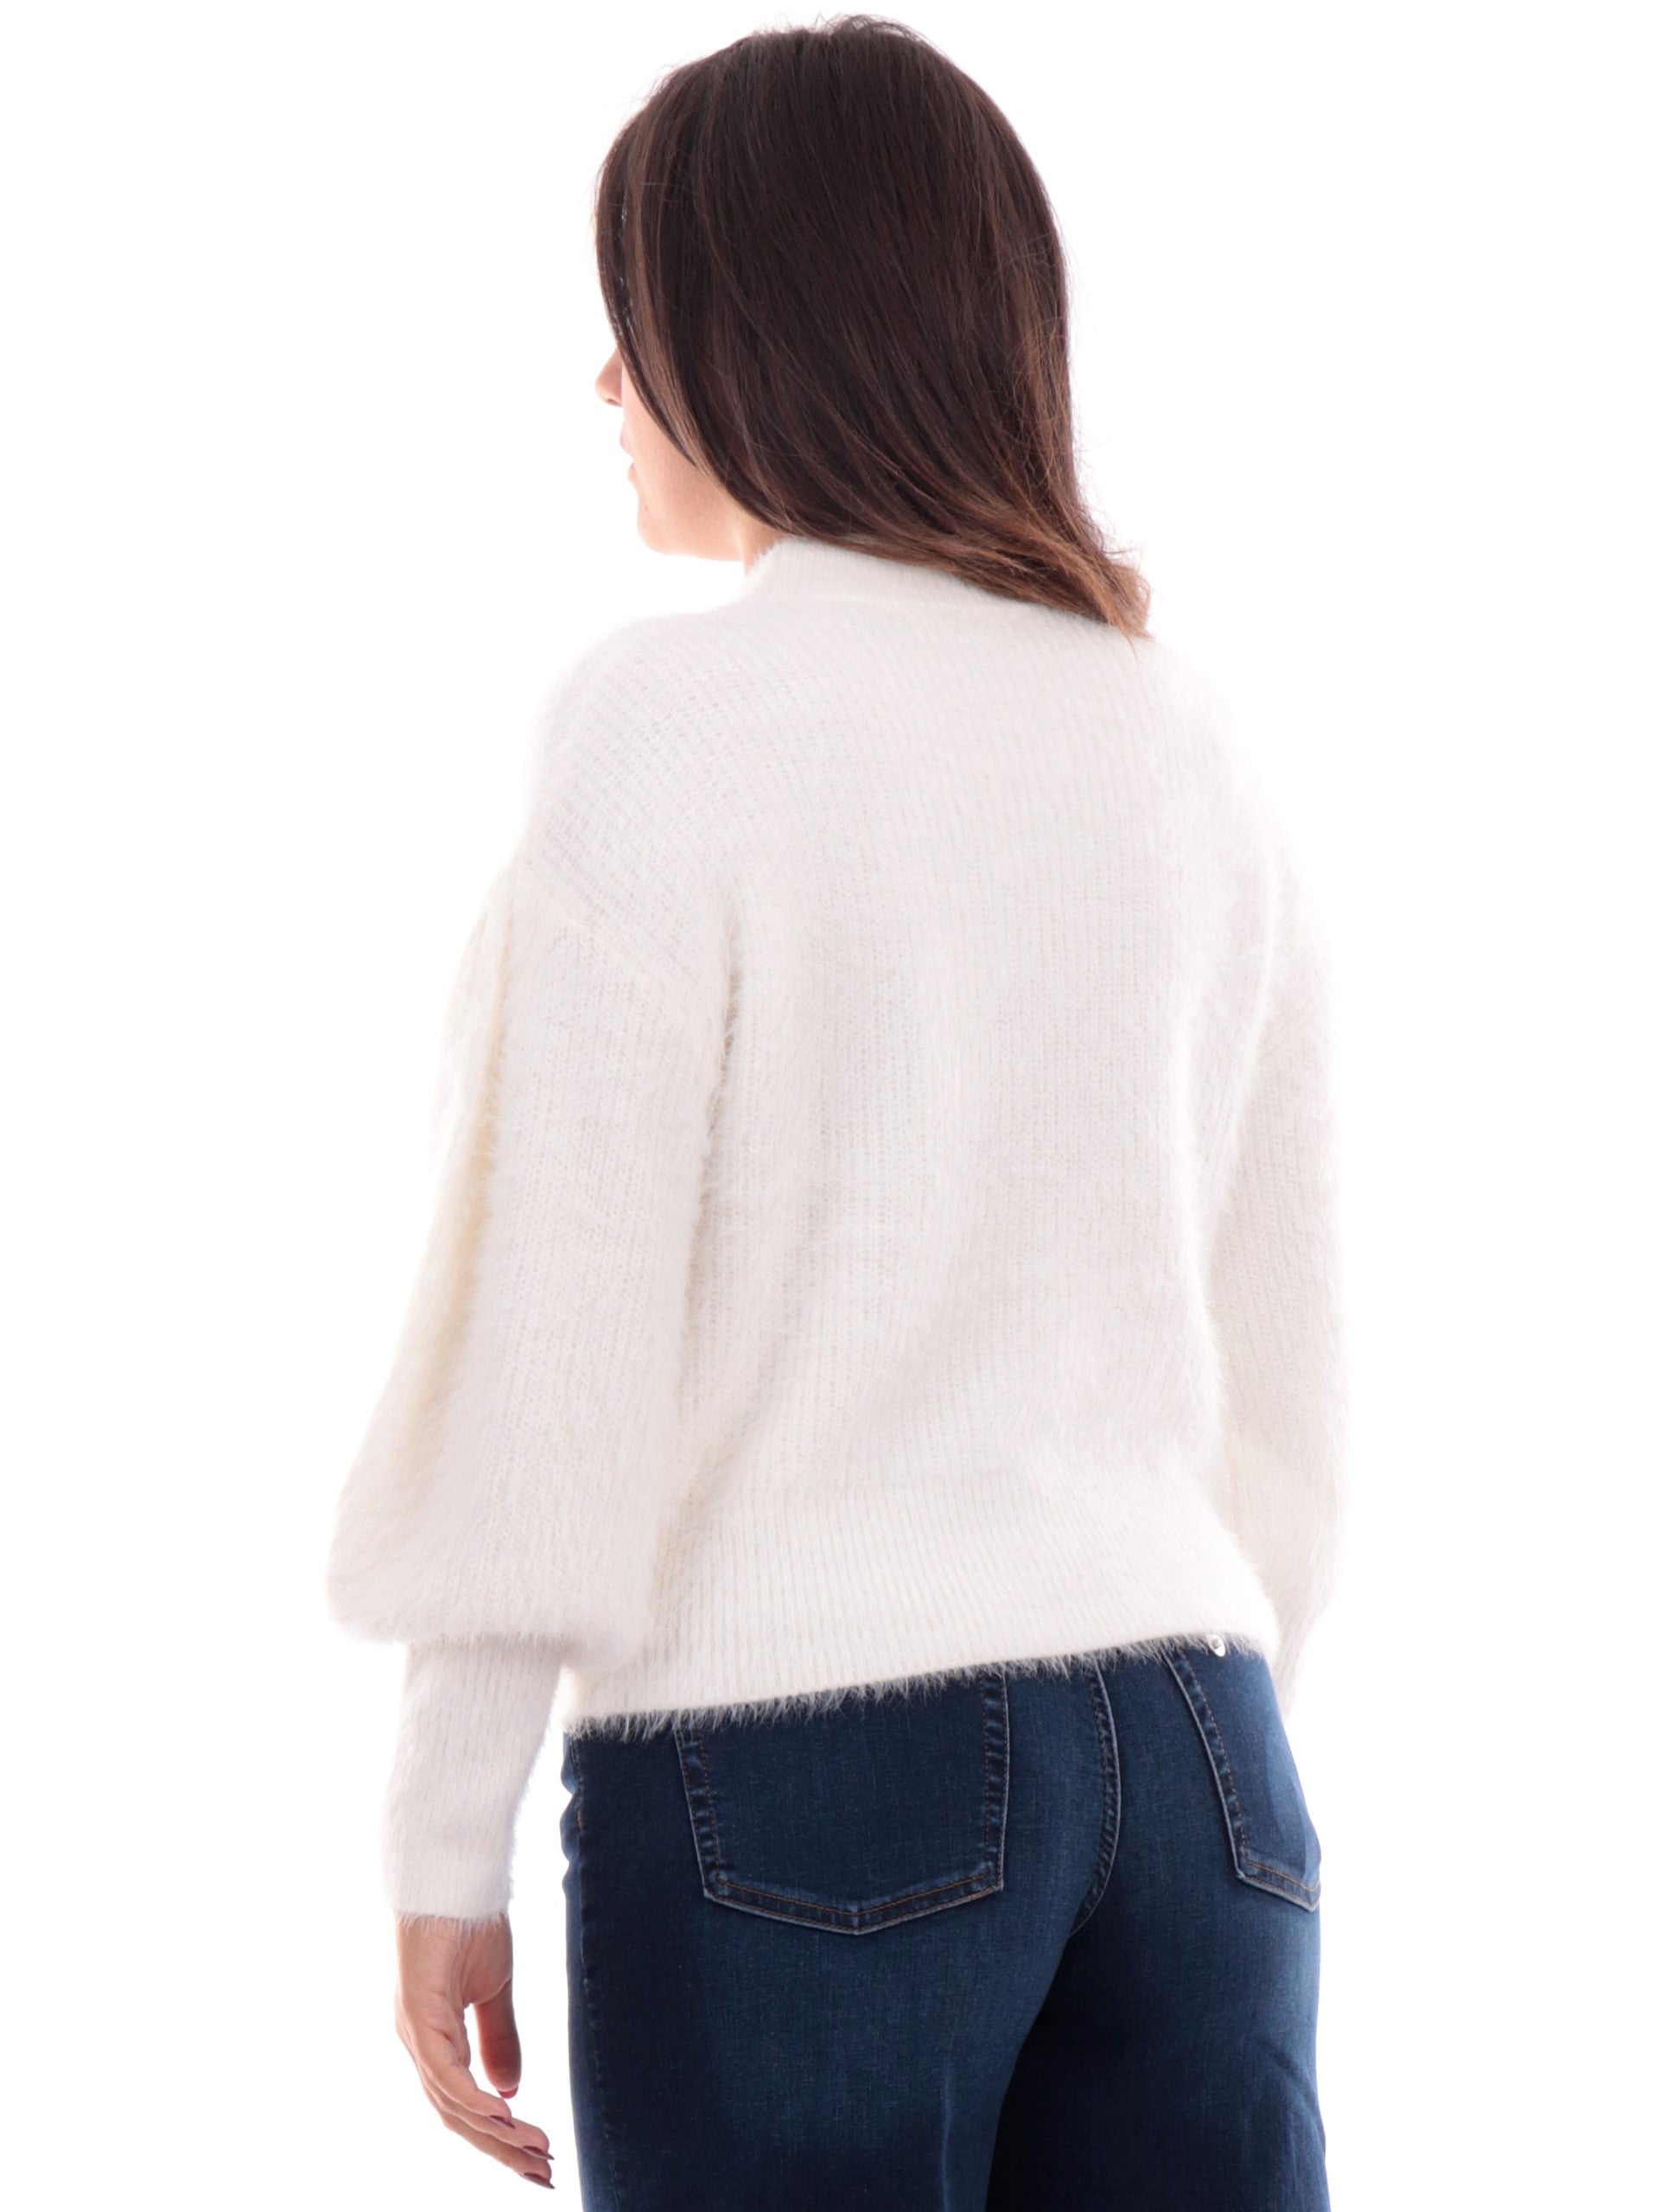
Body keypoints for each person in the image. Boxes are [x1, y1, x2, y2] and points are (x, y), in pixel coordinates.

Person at [323, 17, 1348, 2209]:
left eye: (637, 312)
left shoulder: (665, 729)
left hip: (808, 1774)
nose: (606, 379)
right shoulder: (1183, 738)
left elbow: (552, 1336)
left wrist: (442, 1826)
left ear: (760, 325)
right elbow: (1296, 1354)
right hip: (1205, 1763)